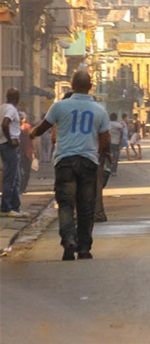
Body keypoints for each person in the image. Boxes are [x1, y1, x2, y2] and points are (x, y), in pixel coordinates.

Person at [29, 69, 110, 260]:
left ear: (72, 86)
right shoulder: (100, 110)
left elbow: (43, 127)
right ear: (91, 87)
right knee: (86, 206)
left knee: (65, 203)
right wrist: (97, 155)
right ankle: (84, 248)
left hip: (65, 161)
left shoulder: (59, 107)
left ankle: (68, 241)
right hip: (88, 162)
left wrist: (32, 133)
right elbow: (105, 138)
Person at [1, 88, 23, 216]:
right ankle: (6, 207)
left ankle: (15, 207)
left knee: (14, 176)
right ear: (17, 98)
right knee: (10, 177)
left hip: (3, 144)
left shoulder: (2, 107)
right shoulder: (11, 110)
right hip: (10, 145)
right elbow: (5, 124)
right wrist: (10, 140)